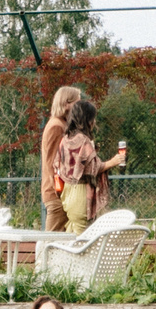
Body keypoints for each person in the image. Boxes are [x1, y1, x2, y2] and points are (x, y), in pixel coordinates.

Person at [52, 95, 127, 230]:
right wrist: (114, 161)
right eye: (93, 118)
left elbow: (58, 163)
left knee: (72, 230)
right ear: (87, 119)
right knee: (82, 236)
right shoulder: (84, 141)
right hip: (80, 193)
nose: (94, 122)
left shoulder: (65, 139)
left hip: (67, 192)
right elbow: (94, 168)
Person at [37, 84, 85, 231]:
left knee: (62, 241)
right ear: (66, 104)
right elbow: (54, 164)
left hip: (65, 192)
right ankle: (39, 255)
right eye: (78, 102)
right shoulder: (56, 126)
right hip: (58, 194)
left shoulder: (64, 124)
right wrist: (61, 193)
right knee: (50, 242)